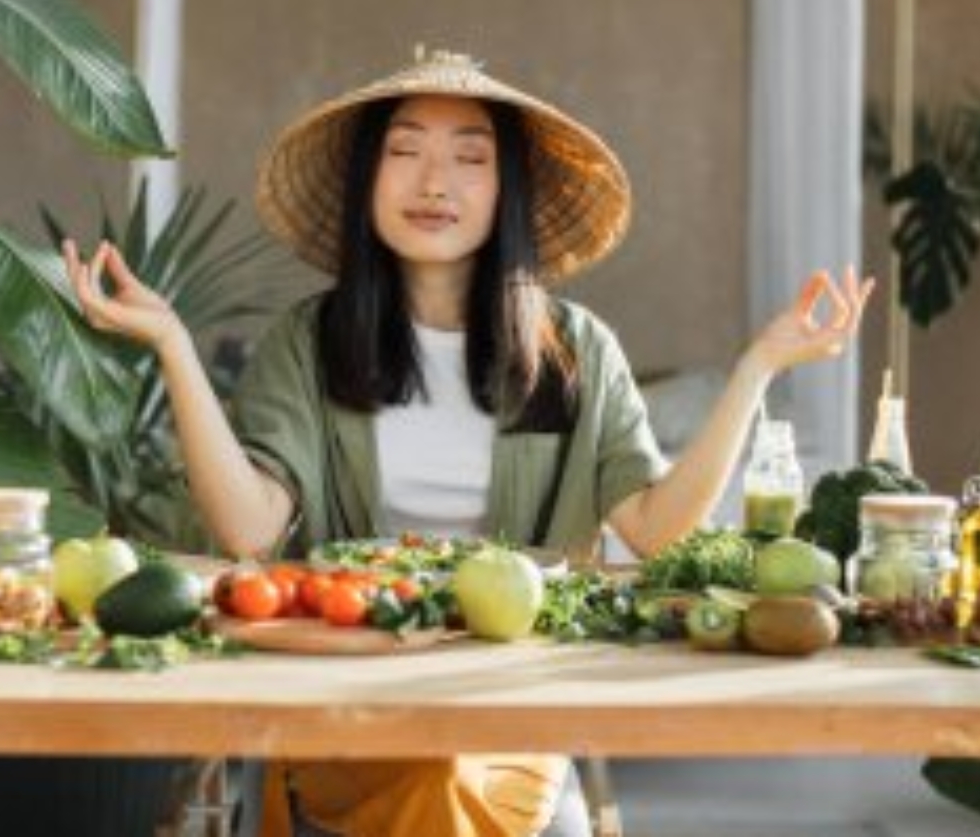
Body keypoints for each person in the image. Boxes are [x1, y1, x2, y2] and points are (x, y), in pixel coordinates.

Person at [62, 49, 872, 837]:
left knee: (450, 771)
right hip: (343, 696)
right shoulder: (307, 343)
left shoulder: (575, 349)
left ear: (506, 191)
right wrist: (172, 343)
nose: (434, 182)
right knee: (428, 774)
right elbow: (248, 530)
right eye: (405, 150)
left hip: (509, 698)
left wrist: (759, 366)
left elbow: (657, 530)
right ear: (367, 184)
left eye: (469, 158)